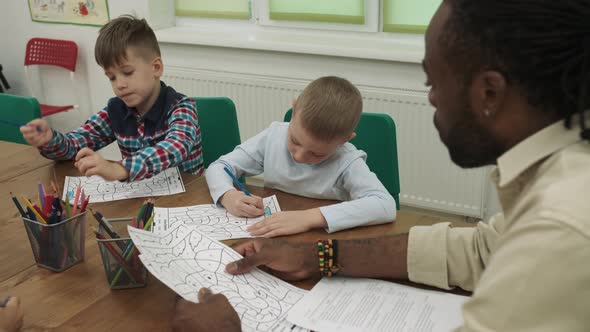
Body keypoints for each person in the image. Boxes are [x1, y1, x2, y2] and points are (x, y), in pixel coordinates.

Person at [173, 0, 590, 331]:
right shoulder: (558, 180)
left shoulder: (561, 230)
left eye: (432, 80)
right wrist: (317, 257)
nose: (430, 98)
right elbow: (482, 251)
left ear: (489, 93)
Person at [205, 76, 397, 237]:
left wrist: (308, 218)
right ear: (294, 109)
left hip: (316, 241)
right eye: (295, 141)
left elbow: (385, 205)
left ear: (344, 140)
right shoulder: (273, 136)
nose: (299, 156)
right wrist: (227, 195)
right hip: (270, 234)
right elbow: (219, 167)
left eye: (317, 153)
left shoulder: (346, 161)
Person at [20, 15, 204, 181]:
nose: (119, 84)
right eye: (112, 77)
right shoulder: (116, 110)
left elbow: (175, 147)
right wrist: (50, 140)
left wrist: (120, 168)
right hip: (141, 200)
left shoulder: (182, 108)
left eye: (127, 72)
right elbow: (76, 143)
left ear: (156, 68)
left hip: (188, 200)